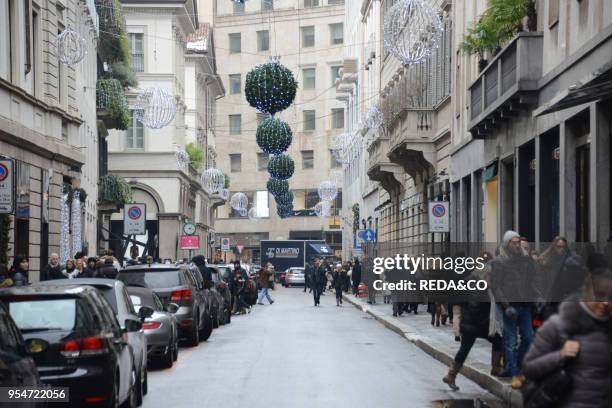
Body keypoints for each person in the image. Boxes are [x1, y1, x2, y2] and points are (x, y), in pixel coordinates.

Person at [522, 268, 612, 408]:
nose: (605, 303)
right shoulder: (558, 326)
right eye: (599, 295)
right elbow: (529, 368)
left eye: (610, 297)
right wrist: (560, 355)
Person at [443, 254, 504, 391]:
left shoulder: (475, 282)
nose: (491, 277)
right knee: (498, 341)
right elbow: (476, 306)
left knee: (465, 349)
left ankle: (451, 375)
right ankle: (495, 368)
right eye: (489, 274)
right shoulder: (478, 286)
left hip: (472, 323)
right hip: (475, 324)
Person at [490, 230, 538, 388]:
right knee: (510, 342)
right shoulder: (499, 262)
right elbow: (496, 287)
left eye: (518, 242)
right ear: (507, 243)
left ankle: (516, 365)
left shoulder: (526, 260)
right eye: (514, 242)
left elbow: (532, 282)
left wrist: (538, 296)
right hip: (509, 307)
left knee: (528, 338)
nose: (517, 245)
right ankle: (515, 374)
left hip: (524, 305)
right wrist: (506, 306)